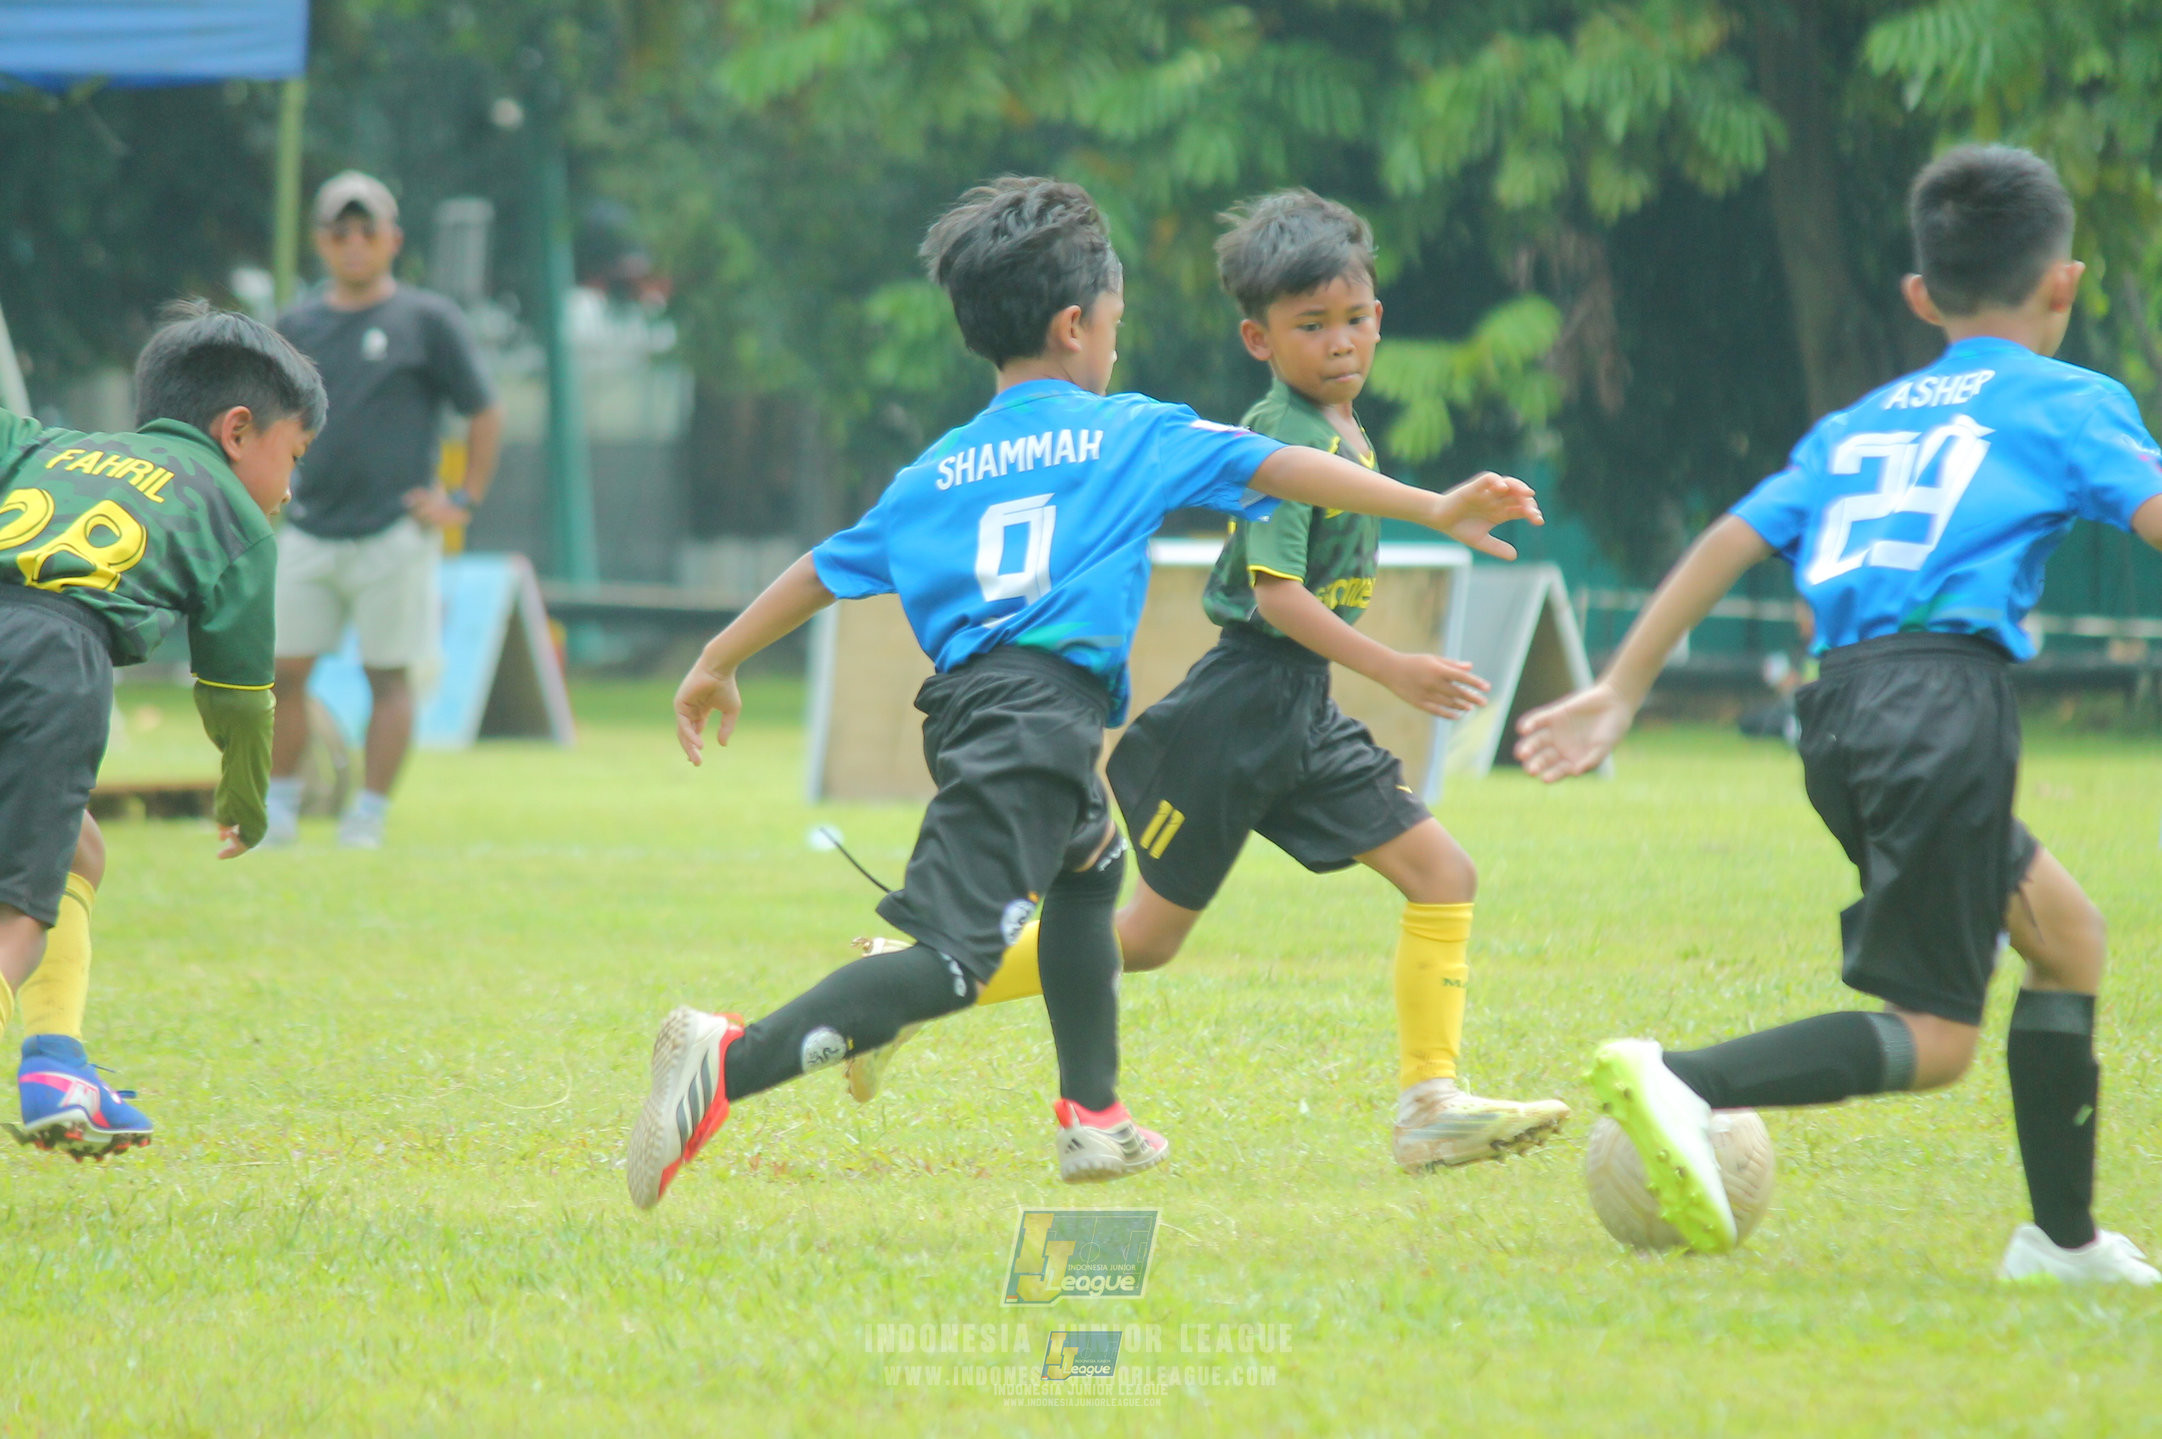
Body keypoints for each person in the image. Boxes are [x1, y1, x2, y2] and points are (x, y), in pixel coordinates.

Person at [627, 177, 1543, 1208]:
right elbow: (1285, 467)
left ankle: (1093, 1119)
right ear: (1075, 325)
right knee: (950, 964)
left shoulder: (936, 467)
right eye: (1113, 322)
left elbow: (822, 566)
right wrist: (1431, 502)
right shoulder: (1128, 432)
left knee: (1089, 867)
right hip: (1033, 718)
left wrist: (719, 657)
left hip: (992, 711)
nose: (1115, 342)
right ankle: (726, 1062)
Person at [1514, 145, 2161, 1283]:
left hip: (1842, 711)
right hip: (1941, 707)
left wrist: (1622, 687)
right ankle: (1686, 1076)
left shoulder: (1856, 423)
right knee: (1935, 1037)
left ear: (1919, 296)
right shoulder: (2068, 399)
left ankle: (2059, 1245)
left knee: (2065, 936)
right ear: (2062, 283)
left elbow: (1728, 537)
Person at [0, 302, 321, 1157]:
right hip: (52, 661)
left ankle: (58, 1063)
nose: (288, 489)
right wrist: (246, 800)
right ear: (238, 430)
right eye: (293, 456)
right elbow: (239, 693)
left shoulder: (46, 445)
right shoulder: (236, 517)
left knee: (79, 851)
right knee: (20, 915)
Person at [267, 171, 504, 849]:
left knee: (388, 675)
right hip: (309, 526)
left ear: (393, 239)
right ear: (321, 241)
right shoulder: (298, 323)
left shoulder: (426, 320)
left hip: (393, 531)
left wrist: (462, 498)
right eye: (339, 231)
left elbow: (484, 409)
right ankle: (281, 806)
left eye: (366, 229)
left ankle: (366, 813)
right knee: (284, 670)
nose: (353, 243)